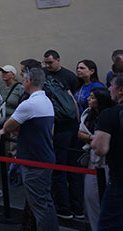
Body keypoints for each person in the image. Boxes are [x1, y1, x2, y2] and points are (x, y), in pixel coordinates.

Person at [0, 67, 58, 231]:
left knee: (40, 205)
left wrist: (3, 130)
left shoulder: (29, 104)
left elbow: (8, 125)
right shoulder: (46, 101)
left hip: (34, 160)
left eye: (24, 79)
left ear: (29, 81)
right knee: (45, 203)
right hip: (44, 156)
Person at [42, 49, 83, 220]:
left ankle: (66, 209)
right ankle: (76, 209)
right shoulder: (46, 74)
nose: (47, 66)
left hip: (61, 128)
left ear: (58, 60)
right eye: (46, 63)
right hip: (72, 126)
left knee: (61, 168)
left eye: (50, 62)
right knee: (72, 169)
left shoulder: (69, 77)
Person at [78, 87, 114, 231]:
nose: (88, 99)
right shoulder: (88, 115)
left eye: (92, 97)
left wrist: (96, 140)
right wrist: (93, 138)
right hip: (93, 157)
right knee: (91, 196)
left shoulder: (109, 115)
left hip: (108, 159)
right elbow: (80, 133)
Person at [92, 74, 123, 231]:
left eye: (111, 86)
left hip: (119, 179)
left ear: (120, 91)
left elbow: (100, 148)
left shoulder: (109, 114)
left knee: (110, 224)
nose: (109, 89)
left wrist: (93, 141)